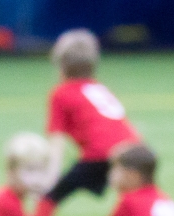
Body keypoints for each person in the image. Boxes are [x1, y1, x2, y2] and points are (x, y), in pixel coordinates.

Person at [43, 29, 142, 206]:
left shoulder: (61, 93)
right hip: (133, 150)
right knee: (138, 200)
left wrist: (51, 178)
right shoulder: (99, 88)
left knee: (50, 198)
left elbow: (57, 141)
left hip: (100, 154)